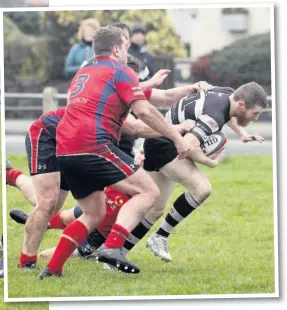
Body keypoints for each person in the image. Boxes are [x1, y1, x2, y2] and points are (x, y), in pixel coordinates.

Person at [37, 25, 193, 279]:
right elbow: (144, 112)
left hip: (64, 150)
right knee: (148, 191)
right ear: (117, 48)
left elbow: (153, 98)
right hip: (93, 146)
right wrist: (177, 136)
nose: (128, 51)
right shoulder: (120, 70)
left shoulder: (85, 71)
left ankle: (53, 269)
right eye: (127, 46)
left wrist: (182, 89)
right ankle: (113, 246)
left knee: (93, 213)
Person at [118, 83, 267, 262]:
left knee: (155, 209)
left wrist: (242, 134)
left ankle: (117, 252)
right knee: (202, 188)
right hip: (166, 147)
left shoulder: (228, 94)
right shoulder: (214, 117)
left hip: (158, 141)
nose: (256, 118)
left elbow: (230, 113)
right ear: (242, 105)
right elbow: (186, 147)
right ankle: (160, 236)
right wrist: (209, 162)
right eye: (255, 113)